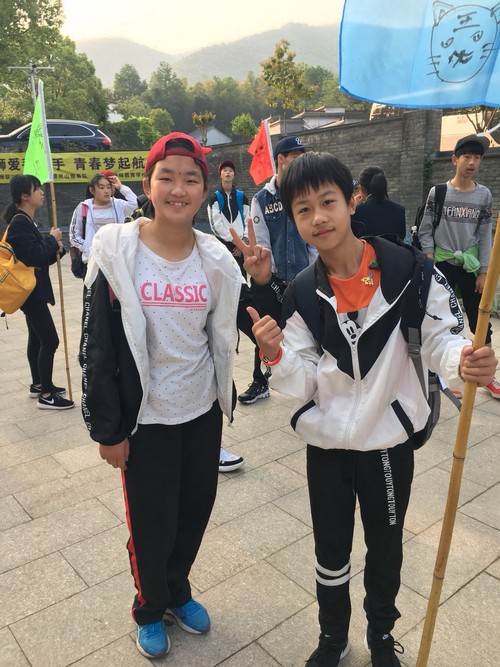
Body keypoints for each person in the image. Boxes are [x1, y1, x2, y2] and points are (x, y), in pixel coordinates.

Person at [239, 151, 497, 667]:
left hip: (387, 443)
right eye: (303, 209)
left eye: (328, 202)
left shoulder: (410, 270)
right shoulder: (302, 293)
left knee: (385, 549)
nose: (319, 217)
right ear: (294, 219)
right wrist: (275, 356)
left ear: (351, 200)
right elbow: (305, 378)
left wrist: (464, 360)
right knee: (330, 551)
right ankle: (332, 637)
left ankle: (381, 634)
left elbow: (443, 337)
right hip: (327, 448)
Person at [79, 132, 257, 659]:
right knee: (151, 525)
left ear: (203, 190)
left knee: (193, 513)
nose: (179, 189)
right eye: (168, 177)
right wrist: (109, 430)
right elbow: (97, 346)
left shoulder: (216, 258)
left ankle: (177, 591)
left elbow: (242, 321)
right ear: (148, 184)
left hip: (201, 413)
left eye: (190, 180)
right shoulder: (116, 251)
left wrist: (265, 284)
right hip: (146, 420)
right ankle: (150, 606)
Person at [418, 133, 500, 399]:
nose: (472, 162)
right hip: (442, 263)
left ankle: (487, 375)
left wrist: (484, 271)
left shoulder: (483, 196)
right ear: (455, 160)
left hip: (470, 265)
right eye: (467, 156)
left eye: (477, 157)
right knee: (439, 317)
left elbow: (486, 235)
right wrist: (429, 258)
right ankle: (444, 372)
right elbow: (425, 229)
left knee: (480, 318)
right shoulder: (439, 193)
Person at [239, 135, 317, 405]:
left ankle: (316, 380)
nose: (299, 164)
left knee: (312, 330)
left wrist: (315, 274)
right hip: (273, 279)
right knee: (265, 329)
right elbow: (261, 242)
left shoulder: (305, 194)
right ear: (281, 160)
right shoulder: (262, 199)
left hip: (305, 277)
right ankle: (260, 382)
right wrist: (269, 278)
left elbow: (313, 243)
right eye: (294, 159)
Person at [3, 175, 74, 410]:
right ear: (24, 195)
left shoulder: (26, 221)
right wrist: (52, 240)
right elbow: (32, 256)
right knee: (50, 340)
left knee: (36, 338)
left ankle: (38, 384)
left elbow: (38, 258)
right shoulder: (20, 223)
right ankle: (47, 395)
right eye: (37, 189)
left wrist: (56, 249)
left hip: (32, 288)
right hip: (30, 292)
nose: (41, 193)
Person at [69, 172, 137, 277]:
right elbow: (74, 234)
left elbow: (136, 204)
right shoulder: (83, 207)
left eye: (108, 187)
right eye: (101, 188)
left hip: (117, 260)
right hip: (93, 261)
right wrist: (87, 247)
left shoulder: (119, 204)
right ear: (92, 190)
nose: (106, 191)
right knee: (94, 287)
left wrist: (121, 187)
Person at [207, 159, 249, 276]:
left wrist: (243, 242)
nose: (227, 172)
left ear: (234, 174)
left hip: (240, 248)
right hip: (223, 246)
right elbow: (216, 225)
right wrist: (235, 241)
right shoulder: (214, 198)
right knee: (225, 277)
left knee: (241, 278)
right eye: (225, 170)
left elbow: (248, 219)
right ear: (220, 174)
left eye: (230, 170)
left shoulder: (242, 197)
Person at [354, 166, 406, 239]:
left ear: (361, 188)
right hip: (392, 246)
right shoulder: (399, 210)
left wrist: (354, 207)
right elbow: (401, 237)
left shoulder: (357, 212)